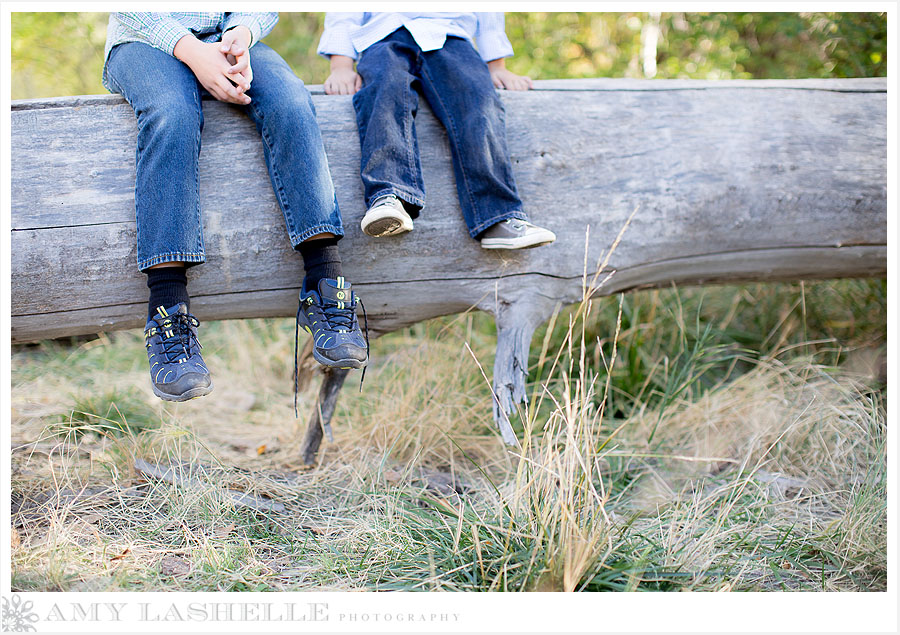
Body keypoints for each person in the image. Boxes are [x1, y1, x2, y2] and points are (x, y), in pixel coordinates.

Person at [102, 12, 367, 403]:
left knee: (292, 102)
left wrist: (240, 37)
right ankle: (167, 312)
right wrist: (193, 53)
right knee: (172, 114)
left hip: (229, 38)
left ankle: (325, 283)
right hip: (145, 39)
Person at [318, 12, 556, 249]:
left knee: (479, 102)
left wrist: (496, 65)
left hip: (450, 35)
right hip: (382, 35)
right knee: (385, 94)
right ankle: (388, 196)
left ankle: (499, 216)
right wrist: (341, 65)